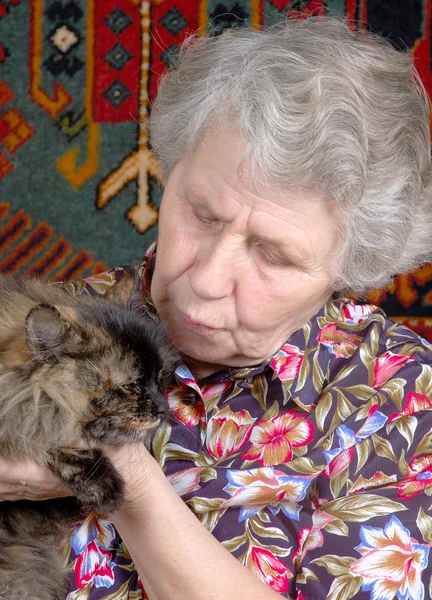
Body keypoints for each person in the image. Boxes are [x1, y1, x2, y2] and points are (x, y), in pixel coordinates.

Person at [1, 15, 432, 600]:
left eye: (272, 255)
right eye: (202, 214)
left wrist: (125, 474)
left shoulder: (401, 403)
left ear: (350, 269)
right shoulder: (56, 321)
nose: (203, 281)